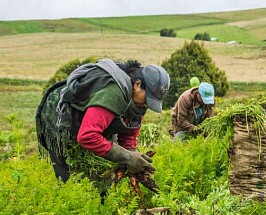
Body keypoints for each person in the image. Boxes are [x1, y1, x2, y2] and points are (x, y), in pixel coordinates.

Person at [36, 58, 170, 183]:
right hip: (61, 116)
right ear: (137, 84)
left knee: (103, 174)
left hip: (92, 121)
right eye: (148, 99)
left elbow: (129, 133)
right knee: (71, 177)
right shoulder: (113, 93)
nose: (147, 105)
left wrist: (133, 155)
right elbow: (87, 136)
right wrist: (127, 157)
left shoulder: (137, 103)